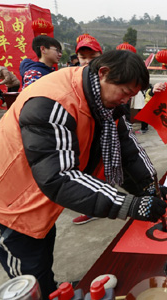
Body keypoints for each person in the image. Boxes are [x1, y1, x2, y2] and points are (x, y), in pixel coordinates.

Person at [0, 50, 167, 296]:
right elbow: (60, 177)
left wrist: (151, 189)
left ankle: (54, 290)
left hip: (42, 195)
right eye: (125, 92)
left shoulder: (104, 102)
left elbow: (127, 148)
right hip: (10, 201)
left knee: (43, 259)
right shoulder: (53, 102)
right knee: (30, 279)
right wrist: (130, 204)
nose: (126, 101)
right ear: (104, 73)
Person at [70, 36, 105, 225]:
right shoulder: (70, 79)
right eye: (83, 57)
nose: (87, 61)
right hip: (80, 135)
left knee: (97, 172)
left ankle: (94, 208)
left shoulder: (107, 79)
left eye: (93, 56)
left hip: (100, 135)